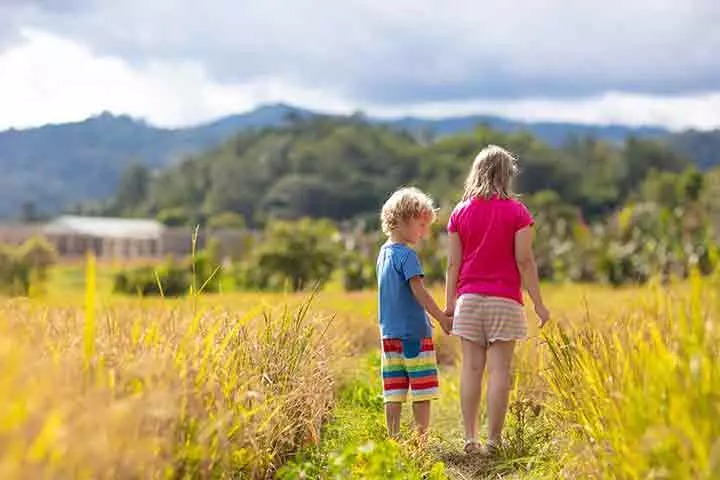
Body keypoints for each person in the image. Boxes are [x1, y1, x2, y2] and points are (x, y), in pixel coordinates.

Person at [444, 145, 550, 454]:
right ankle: (493, 441)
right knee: (500, 370)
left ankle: (469, 438)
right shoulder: (518, 212)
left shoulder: (459, 212)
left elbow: (453, 264)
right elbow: (525, 261)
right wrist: (539, 304)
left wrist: (450, 306)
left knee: (472, 369)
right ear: (507, 175)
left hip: (468, 300)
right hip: (505, 301)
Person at [376, 186, 453, 441]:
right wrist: (441, 317)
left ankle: (394, 440)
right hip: (414, 337)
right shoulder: (407, 256)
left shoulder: (382, 254)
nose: (424, 232)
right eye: (421, 225)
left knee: (394, 393)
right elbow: (420, 292)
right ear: (402, 220)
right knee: (421, 391)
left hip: (389, 337)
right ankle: (421, 441)